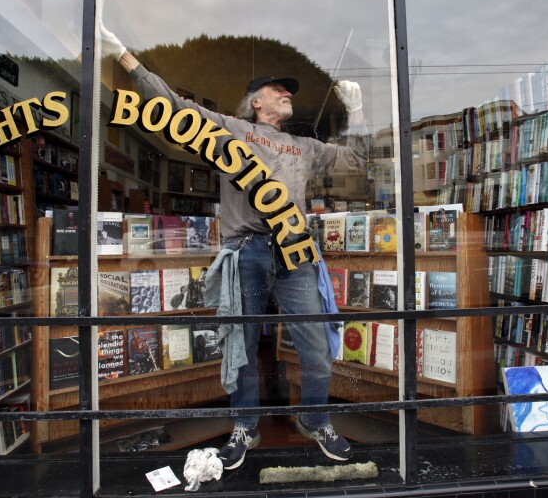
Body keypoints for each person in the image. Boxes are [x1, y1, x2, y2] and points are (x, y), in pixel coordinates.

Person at [101, 25, 368, 470]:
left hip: (294, 250)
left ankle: (316, 420)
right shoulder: (231, 129)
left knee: (317, 343)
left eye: (289, 90)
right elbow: (174, 107)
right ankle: (245, 426)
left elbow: (356, 162)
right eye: (276, 88)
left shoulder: (304, 147)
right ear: (256, 101)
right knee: (240, 346)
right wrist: (126, 58)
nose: (286, 93)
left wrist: (356, 112)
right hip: (245, 250)